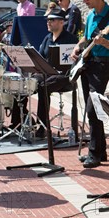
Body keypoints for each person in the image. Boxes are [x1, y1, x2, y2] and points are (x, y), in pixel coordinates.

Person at [70, 0, 109, 168]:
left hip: (101, 66)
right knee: (90, 108)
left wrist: (104, 43)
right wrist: (77, 48)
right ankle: (100, 152)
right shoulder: (91, 15)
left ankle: (94, 152)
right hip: (87, 64)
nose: (84, 0)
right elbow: (86, 38)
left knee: (93, 109)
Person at [34, 8, 78, 137]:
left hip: (64, 77)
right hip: (47, 74)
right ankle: (18, 122)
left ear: (61, 22)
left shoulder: (71, 39)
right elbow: (40, 58)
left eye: (51, 20)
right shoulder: (47, 38)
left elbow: (74, 64)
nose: (48, 22)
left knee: (43, 87)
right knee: (25, 84)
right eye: (47, 20)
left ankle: (42, 128)